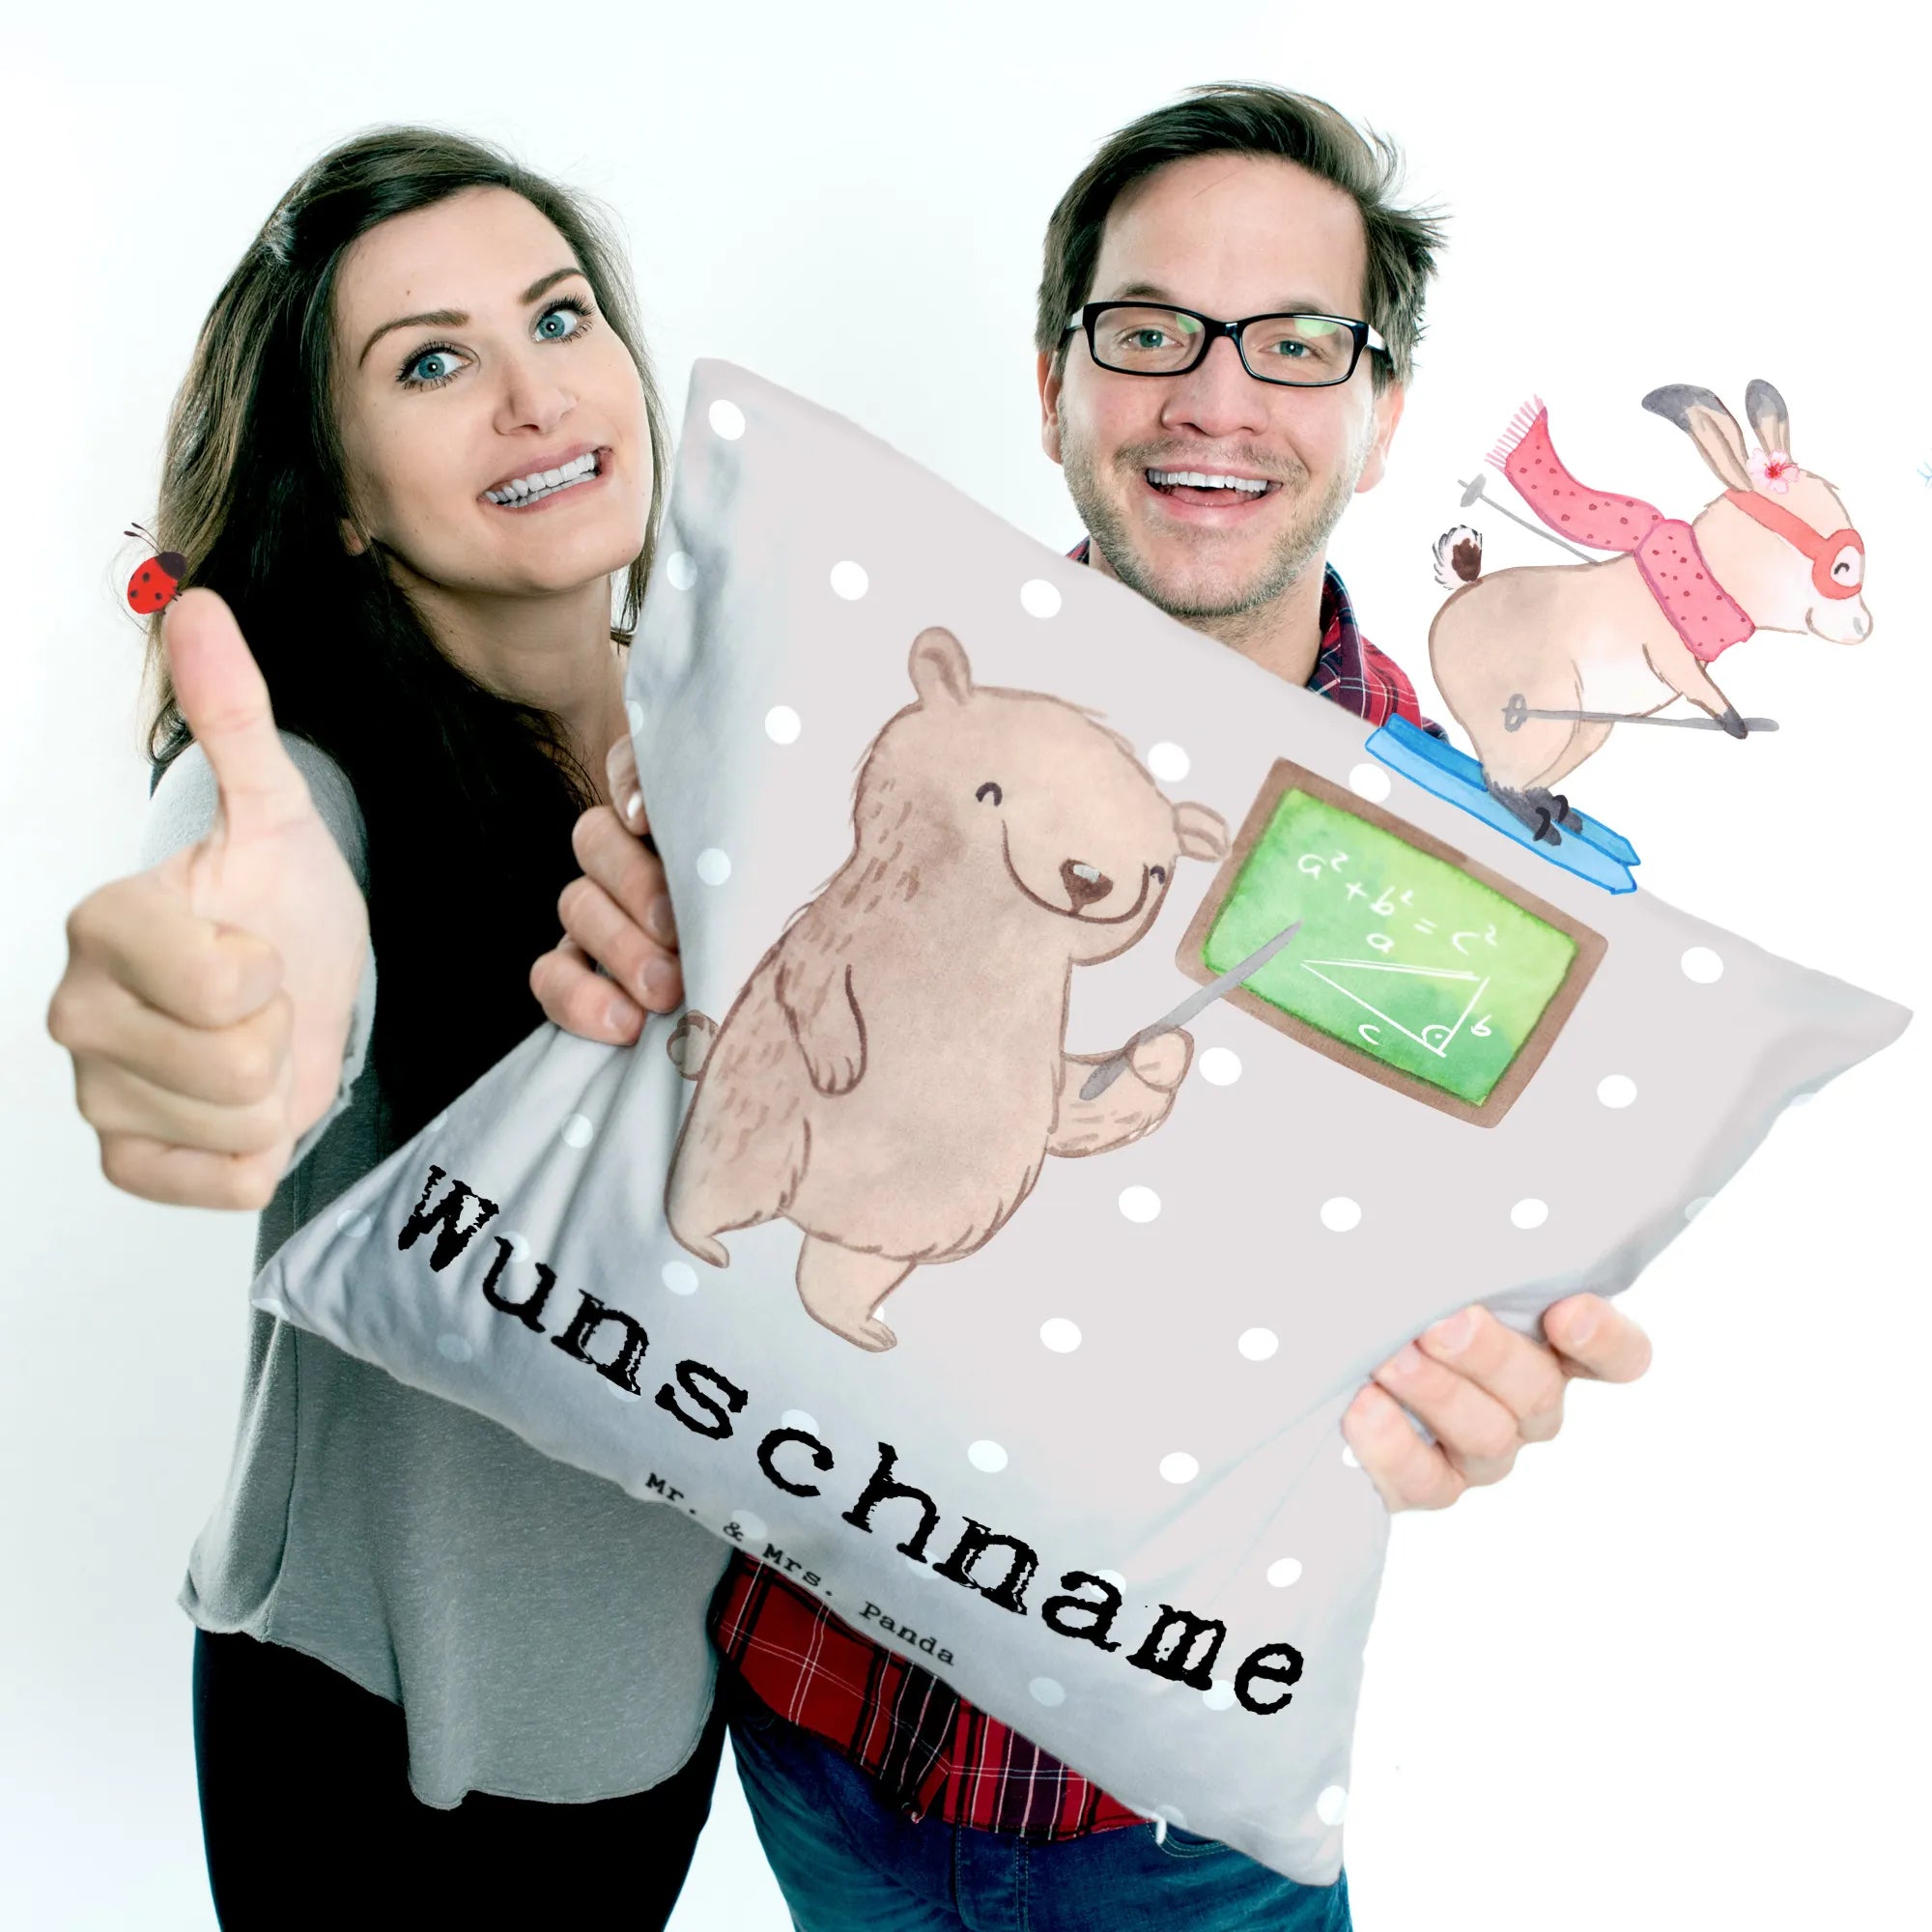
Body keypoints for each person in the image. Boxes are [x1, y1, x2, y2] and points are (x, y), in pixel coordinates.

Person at [534, 83, 1655, 1928]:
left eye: (1297, 343)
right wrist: (625, 969)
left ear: (1381, 419)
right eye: (1150, 333)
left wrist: (1479, 1376)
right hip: (808, 1737)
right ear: (1054, 385)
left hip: (1178, 1823)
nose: (1216, 398)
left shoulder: (1470, 884)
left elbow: (1441, 1300)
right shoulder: (821, 706)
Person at [44, 130, 728, 1927]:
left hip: (662, 1709)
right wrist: (223, 1001)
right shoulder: (308, 782)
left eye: (558, 318)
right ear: (342, 496)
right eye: (430, 363)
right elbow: (254, 903)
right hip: (379, 1740)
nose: (532, 394)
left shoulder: (738, 743)